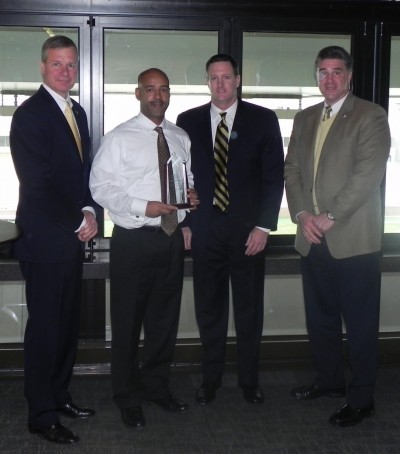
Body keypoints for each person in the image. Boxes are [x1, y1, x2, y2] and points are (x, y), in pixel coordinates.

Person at [285, 46, 391, 427]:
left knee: (360, 325)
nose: (329, 79)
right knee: (321, 319)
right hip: (311, 237)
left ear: (349, 76)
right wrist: (302, 216)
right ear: (316, 75)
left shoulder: (370, 115)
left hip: (353, 240)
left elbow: (368, 174)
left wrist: (328, 216)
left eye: (336, 72)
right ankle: (329, 381)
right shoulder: (305, 117)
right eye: (322, 71)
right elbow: (292, 170)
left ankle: (362, 399)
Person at [89, 68, 198, 429]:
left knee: (163, 322)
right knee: (127, 322)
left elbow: (186, 179)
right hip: (133, 241)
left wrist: (189, 196)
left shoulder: (180, 136)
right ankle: (127, 396)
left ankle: (156, 387)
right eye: (150, 89)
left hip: (169, 240)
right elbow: (100, 187)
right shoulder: (118, 138)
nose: (158, 96)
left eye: (164, 89)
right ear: (138, 94)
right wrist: (144, 206)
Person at [176, 54, 284, 405]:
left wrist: (264, 226)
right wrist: (187, 223)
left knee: (249, 309)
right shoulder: (187, 121)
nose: (220, 84)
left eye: (226, 77)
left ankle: (249, 381)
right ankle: (211, 379)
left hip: (248, 233)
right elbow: (180, 179)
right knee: (209, 309)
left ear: (238, 79)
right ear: (207, 82)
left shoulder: (263, 120)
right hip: (205, 231)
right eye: (213, 78)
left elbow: (273, 179)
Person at [9, 35, 98, 444]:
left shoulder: (76, 112)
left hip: (70, 239)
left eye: (72, 65)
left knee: (65, 327)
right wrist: (77, 218)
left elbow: (82, 176)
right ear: (42, 68)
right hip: (45, 240)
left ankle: (60, 396)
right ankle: (40, 414)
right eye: (58, 64)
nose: (66, 72)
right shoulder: (29, 115)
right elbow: (38, 183)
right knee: (45, 330)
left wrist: (90, 210)